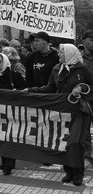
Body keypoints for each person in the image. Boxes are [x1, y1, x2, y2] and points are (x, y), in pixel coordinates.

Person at [25, 44, 93, 186]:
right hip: (62, 111)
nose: (59, 54)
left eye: (62, 52)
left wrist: (82, 87)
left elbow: (92, 85)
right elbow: (50, 88)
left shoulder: (82, 69)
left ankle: (78, 172)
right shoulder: (56, 69)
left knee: (77, 142)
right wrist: (30, 90)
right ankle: (68, 171)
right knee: (64, 142)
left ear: (69, 53)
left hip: (80, 111)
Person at [0, 52, 26, 175]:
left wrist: (15, 92)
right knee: (0, 137)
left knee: (10, 137)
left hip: (11, 112)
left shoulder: (14, 76)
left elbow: (23, 89)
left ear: (5, 62)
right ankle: (3, 161)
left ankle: (9, 164)